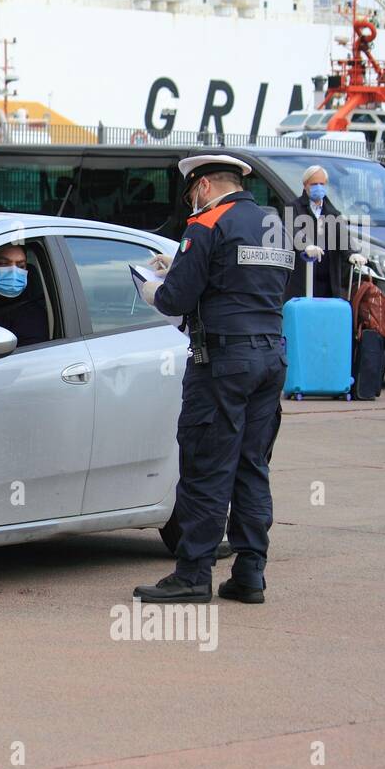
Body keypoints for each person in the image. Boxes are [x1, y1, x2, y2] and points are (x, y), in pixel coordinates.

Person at [134, 154, 291, 604]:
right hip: (268, 358)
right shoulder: (272, 224)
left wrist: (154, 289)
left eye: (191, 195)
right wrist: (180, 264)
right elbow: (256, 284)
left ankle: (193, 576)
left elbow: (176, 299)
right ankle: (249, 574)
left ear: (202, 187)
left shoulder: (207, 223)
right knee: (251, 466)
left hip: (222, 364)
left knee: (206, 467)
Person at [285, 164, 354, 300]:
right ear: (305, 185)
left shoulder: (332, 212)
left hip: (328, 282)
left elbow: (342, 237)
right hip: (302, 280)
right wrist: (306, 245)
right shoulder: (293, 208)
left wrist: (351, 254)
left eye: (321, 184)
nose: (318, 187)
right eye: (314, 184)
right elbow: (292, 229)